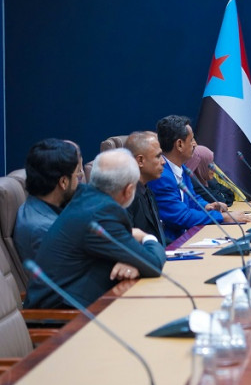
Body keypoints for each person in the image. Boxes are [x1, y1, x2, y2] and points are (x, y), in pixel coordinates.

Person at [23, 149, 166, 309]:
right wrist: (147, 238)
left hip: (78, 303)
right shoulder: (103, 214)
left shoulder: (85, 198)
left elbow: (140, 260)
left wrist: (134, 262)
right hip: (60, 317)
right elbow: (153, 264)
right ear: (128, 190)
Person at [149, 115, 251, 240]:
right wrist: (222, 217)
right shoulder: (161, 176)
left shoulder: (182, 168)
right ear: (179, 144)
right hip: (173, 242)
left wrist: (207, 206)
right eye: (191, 139)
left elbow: (192, 199)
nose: (195, 144)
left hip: (188, 235)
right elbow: (181, 216)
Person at [13, 139, 82, 262]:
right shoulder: (45, 229)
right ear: (63, 182)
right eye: (77, 175)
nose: (79, 182)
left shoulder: (37, 204)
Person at [125, 131, 167, 245]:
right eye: (158, 156)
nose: (163, 162)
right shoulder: (126, 198)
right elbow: (127, 243)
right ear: (140, 161)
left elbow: (158, 237)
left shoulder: (147, 191)